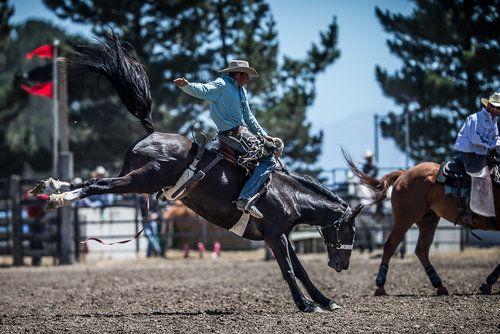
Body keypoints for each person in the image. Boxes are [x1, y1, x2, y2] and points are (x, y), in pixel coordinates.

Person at [174, 60, 278, 219]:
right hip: (233, 135)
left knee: (267, 149)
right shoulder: (222, 84)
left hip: (240, 134)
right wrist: (186, 86)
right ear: (237, 74)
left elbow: (248, 116)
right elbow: (204, 90)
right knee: (269, 160)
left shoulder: (241, 91)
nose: (248, 78)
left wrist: (263, 134)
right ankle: (244, 198)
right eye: (245, 75)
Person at [455, 92, 500, 218]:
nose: (496, 109)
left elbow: (496, 139)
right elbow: (475, 139)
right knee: (481, 176)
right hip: (469, 154)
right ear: (488, 106)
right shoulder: (475, 118)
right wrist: (491, 145)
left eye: (499, 107)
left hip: (481, 155)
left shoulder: (494, 122)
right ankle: (471, 211)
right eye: (494, 106)